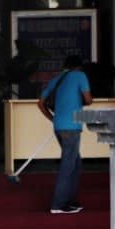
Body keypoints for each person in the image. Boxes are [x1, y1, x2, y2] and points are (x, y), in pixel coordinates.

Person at [38, 54, 92, 215]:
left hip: (59, 127)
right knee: (68, 165)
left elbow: (40, 103)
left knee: (75, 163)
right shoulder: (80, 75)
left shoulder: (57, 79)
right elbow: (88, 99)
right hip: (72, 127)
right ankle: (58, 204)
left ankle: (70, 201)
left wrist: (53, 119)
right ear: (79, 67)